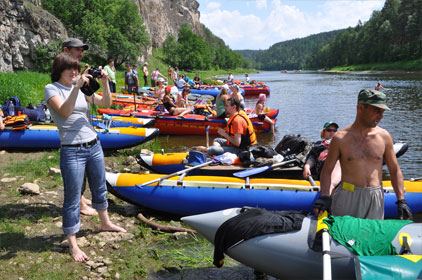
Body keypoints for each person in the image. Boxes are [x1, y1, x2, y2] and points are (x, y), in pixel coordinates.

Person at [44, 53, 126, 262]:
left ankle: (105, 223)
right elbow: (64, 111)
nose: (74, 72)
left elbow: (105, 102)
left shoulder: (82, 88)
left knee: (99, 187)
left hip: (93, 144)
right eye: (70, 69)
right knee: (72, 197)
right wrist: (76, 87)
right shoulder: (52, 89)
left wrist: (105, 83)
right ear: (59, 70)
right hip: (72, 150)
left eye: (76, 68)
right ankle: (73, 244)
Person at [313, 89, 412, 220]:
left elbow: (394, 170)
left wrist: (401, 201)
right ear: (360, 108)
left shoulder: (384, 136)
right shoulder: (340, 138)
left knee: (372, 238)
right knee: (343, 237)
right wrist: (325, 196)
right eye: (377, 111)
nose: (380, 116)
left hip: (375, 197)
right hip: (347, 196)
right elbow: (327, 171)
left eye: (382, 112)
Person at [62, 38, 96, 216]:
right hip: (72, 133)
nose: (81, 53)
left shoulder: (75, 71)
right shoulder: (63, 72)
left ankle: (81, 198)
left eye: (82, 50)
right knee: (75, 168)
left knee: (82, 168)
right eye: (77, 50)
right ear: (66, 50)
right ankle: (80, 202)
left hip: (83, 126)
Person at [302, 122, 341, 186]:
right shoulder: (318, 145)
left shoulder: (341, 145)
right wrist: (307, 167)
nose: (332, 132)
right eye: (329, 130)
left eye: (334, 130)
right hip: (323, 172)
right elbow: (312, 158)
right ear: (324, 132)